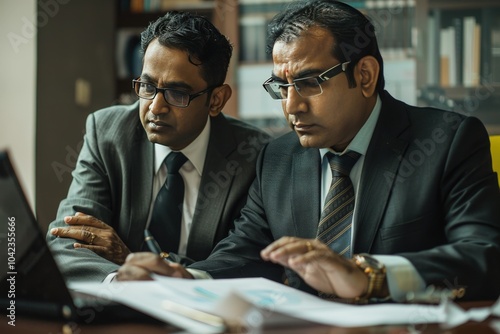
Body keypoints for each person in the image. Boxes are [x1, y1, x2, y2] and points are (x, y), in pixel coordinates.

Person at [116, 0, 500, 302]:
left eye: (308, 83)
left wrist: (369, 276)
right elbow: (246, 250)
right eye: (281, 86)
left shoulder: (446, 141)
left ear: (364, 76)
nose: (290, 106)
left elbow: (483, 256)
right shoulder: (278, 157)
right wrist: (189, 276)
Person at [46, 11, 271, 282]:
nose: (155, 107)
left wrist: (133, 258)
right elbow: (66, 240)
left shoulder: (253, 153)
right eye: (147, 86)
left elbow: (242, 261)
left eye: (178, 93)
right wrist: (121, 280)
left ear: (216, 100)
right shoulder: (107, 132)